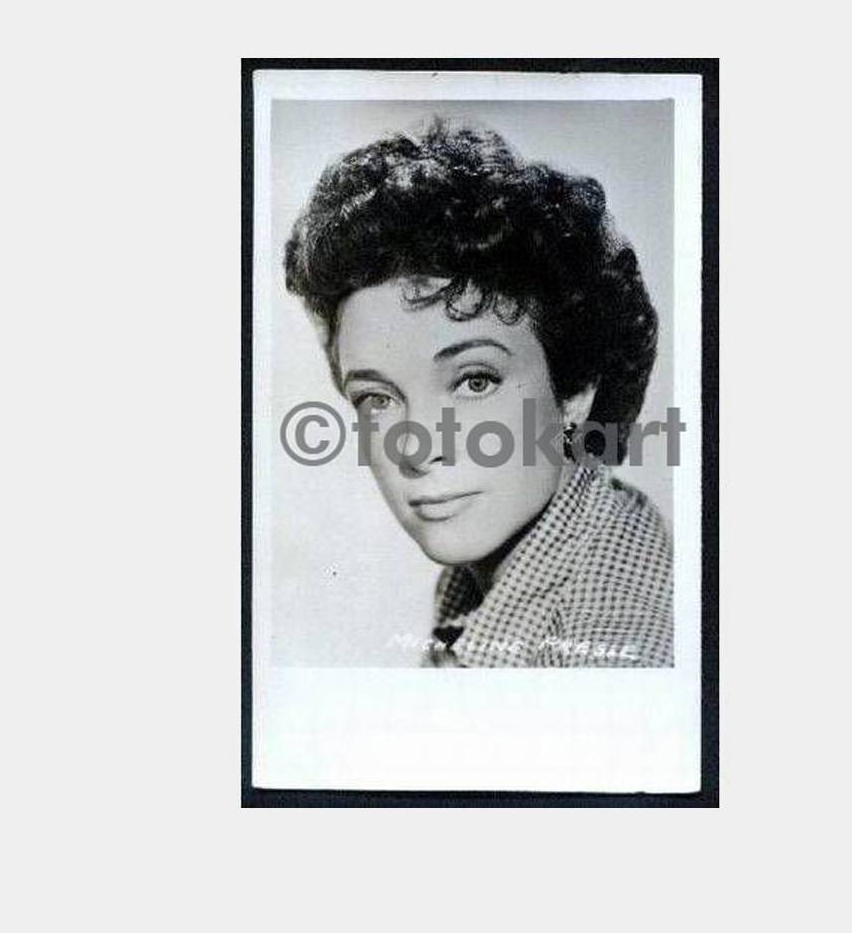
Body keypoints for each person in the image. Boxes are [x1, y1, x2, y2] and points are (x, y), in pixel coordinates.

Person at [284, 118, 673, 667]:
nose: (417, 449)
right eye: (378, 398)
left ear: (577, 390)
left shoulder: (615, 649)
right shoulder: (524, 566)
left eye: (474, 381)